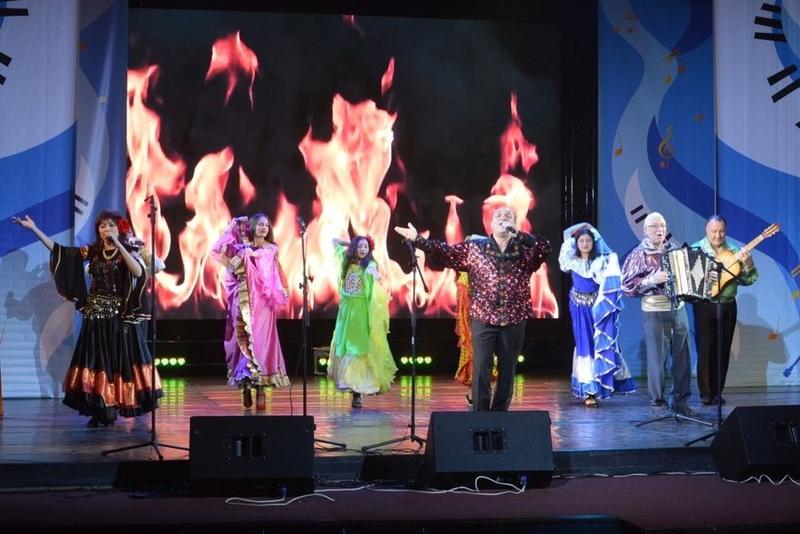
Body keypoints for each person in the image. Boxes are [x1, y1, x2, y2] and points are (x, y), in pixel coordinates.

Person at [12, 211, 163, 427]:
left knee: (118, 363)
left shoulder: (128, 251)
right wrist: (34, 229)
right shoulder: (92, 252)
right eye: (102, 226)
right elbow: (60, 251)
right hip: (95, 318)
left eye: (110, 225)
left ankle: (115, 405)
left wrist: (121, 245)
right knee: (97, 362)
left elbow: (138, 272)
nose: (106, 229)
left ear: (119, 229)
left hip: (119, 319)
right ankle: (102, 408)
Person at [395, 206, 551, 411]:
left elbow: (544, 247)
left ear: (515, 223)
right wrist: (418, 240)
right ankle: (481, 415)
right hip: (483, 317)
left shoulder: (525, 251)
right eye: (499, 216)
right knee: (481, 368)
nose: (503, 218)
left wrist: (520, 235)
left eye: (508, 216)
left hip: (514, 318)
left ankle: (500, 415)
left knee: (507, 370)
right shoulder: (475, 247)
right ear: (491, 223)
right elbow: (445, 251)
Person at [211, 214, 290, 410]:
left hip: (264, 305)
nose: (263, 228)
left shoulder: (271, 250)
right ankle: (246, 385)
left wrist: (282, 292)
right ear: (253, 226)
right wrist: (231, 227)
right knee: (245, 342)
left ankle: (261, 388)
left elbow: (277, 274)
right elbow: (216, 251)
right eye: (260, 224)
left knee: (262, 343)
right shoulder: (240, 249)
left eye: (266, 225)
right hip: (244, 302)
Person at [621, 212, 695, 416]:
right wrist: (651, 280)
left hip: (678, 309)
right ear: (646, 230)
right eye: (654, 226)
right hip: (655, 310)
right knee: (657, 361)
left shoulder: (675, 250)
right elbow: (626, 286)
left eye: (662, 225)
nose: (660, 230)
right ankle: (658, 403)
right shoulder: (639, 254)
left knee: (683, 358)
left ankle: (680, 401)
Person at [559, 223, 635, 407]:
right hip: (578, 307)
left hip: (598, 308)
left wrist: (592, 230)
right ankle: (589, 390)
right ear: (576, 244)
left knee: (600, 343)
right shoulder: (571, 259)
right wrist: (585, 226)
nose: (585, 244)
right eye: (581, 241)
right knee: (584, 345)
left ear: (594, 243)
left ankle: (603, 385)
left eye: (588, 240)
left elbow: (611, 281)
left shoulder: (602, 261)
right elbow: (566, 234)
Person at [691, 215, 757, 406]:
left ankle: (718, 391)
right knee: (705, 349)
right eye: (714, 231)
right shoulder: (696, 249)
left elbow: (748, 280)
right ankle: (706, 393)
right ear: (707, 230)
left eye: (721, 231)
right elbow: (689, 279)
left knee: (723, 349)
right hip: (704, 305)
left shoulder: (734, 251)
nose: (718, 235)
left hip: (727, 304)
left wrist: (748, 264)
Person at [328, 236, 397, 408]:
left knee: (358, 347)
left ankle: (359, 391)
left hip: (361, 311)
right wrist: (350, 243)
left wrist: (375, 274)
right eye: (359, 246)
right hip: (346, 311)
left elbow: (373, 273)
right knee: (345, 345)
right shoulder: (345, 262)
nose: (363, 249)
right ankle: (351, 386)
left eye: (366, 247)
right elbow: (334, 241)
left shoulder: (370, 265)